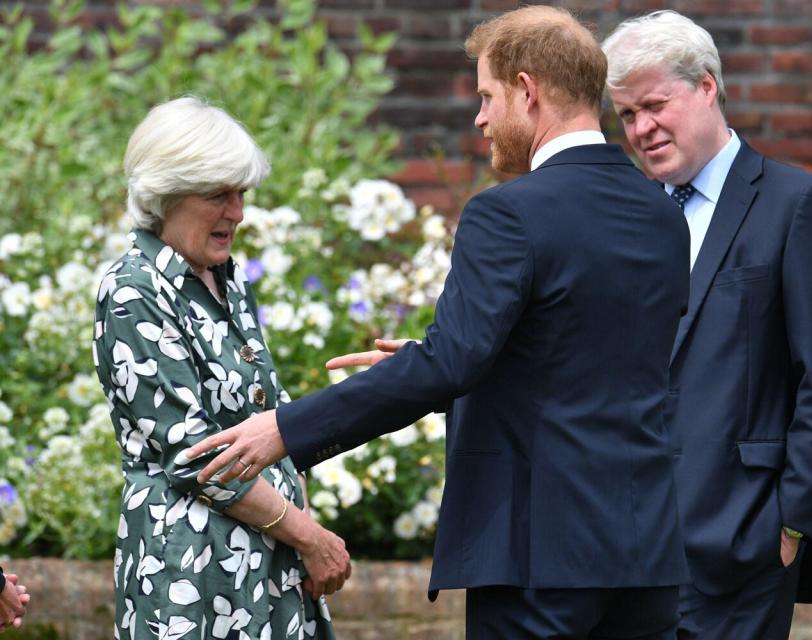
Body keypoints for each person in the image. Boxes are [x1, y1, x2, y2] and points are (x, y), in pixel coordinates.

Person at [188, 6, 691, 639]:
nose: (480, 118)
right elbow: (585, 356)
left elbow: (453, 362)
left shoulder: (507, 214)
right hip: (647, 556)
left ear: (528, 92)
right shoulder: (661, 212)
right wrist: (434, 361)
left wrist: (285, 429)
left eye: (487, 96)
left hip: (538, 557)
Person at [600, 10, 812, 639]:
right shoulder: (629, 217)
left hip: (741, 544)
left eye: (655, 104)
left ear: (707, 87)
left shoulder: (797, 205)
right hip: (623, 547)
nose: (642, 128)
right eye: (627, 115)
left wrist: (794, 523)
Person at [93, 96, 349, 640]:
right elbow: (194, 456)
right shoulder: (133, 289)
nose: (237, 212)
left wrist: (301, 529)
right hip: (193, 574)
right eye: (218, 195)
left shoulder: (223, 278)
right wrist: (308, 537)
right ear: (165, 194)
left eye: (241, 194)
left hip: (270, 567)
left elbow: (270, 418)